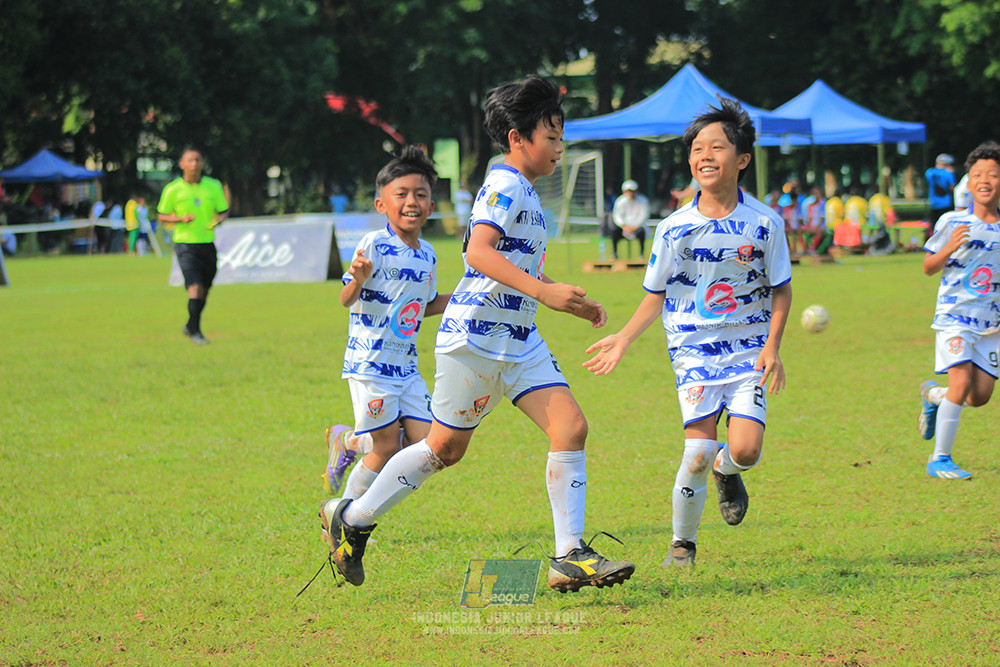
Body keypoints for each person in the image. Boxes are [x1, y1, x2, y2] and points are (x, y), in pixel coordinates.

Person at [319, 75, 635, 592]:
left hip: (519, 337)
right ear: (518, 138)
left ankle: (569, 555)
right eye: (552, 137)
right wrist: (543, 292)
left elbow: (511, 264)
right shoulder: (504, 183)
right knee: (443, 449)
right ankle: (352, 519)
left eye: (561, 138)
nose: (560, 148)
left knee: (570, 428)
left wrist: (564, 298)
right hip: (476, 337)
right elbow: (478, 255)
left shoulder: (525, 191)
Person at [583, 98, 792, 568]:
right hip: (694, 351)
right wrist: (624, 337)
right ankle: (683, 544)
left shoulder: (765, 223)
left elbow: (782, 291)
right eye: (698, 148)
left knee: (745, 450)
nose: (705, 156)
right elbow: (655, 296)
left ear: (741, 159)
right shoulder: (673, 228)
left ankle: (728, 470)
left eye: (717, 146)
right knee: (696, 451)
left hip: (749, 351)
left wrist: (773, 348)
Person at [322, 146, 451, 502]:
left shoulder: (428, 253)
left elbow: (421, 306)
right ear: (382, 205)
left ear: (431, 206)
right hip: (371, 364)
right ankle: (343, 518)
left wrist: (467, 298)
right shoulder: (374, 244)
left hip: (406, 368)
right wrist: (358, 280)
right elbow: (345, 299)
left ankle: (349, 442)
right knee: (387, 448)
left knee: (427, 445)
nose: (412, 202)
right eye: (402, 194)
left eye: (421, 195)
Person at [917, 141, 1000, 480]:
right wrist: (949, 247)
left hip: (991, 325)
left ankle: (933, 395)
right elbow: (928, 266)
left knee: (978, 397)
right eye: (977, 173)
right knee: (962, 383)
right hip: (954, 319)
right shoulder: (952, 221)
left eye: (993, 174)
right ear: (967, 181)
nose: (984, 180)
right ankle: (940, 459)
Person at [156, 146, 229, 345]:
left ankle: (190, 326)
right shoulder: (173, 189)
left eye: (197, 160)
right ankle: (197, 332)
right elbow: (162, 215)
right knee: (194, 288)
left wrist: (219, 219)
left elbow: (223, 210)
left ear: (202, 163)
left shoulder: (213, 186)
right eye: (190, 160)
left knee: (205, 289)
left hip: (207, 243)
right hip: (185, 244)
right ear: (182, 164)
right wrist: (179, 219)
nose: (194, 164)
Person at [611, 180, 649, 258]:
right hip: (624, 227)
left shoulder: (643, 201)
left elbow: (644, 215)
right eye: (629, 191)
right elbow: (617, 215)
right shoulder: (620, 201)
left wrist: (634, 227)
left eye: (632, 191)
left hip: (637, 227)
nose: (631, 193)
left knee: (642, 232)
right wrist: (624, 226)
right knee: (615, 232)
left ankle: (641, 255)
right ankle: (614, 254)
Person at [925, 153, 955, 241]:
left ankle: (933, 241)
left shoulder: (929, 172)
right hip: (945, 203)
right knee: (946, 225)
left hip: (933, 203)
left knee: (934, 224)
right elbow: (952, 187)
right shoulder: (948, 173)